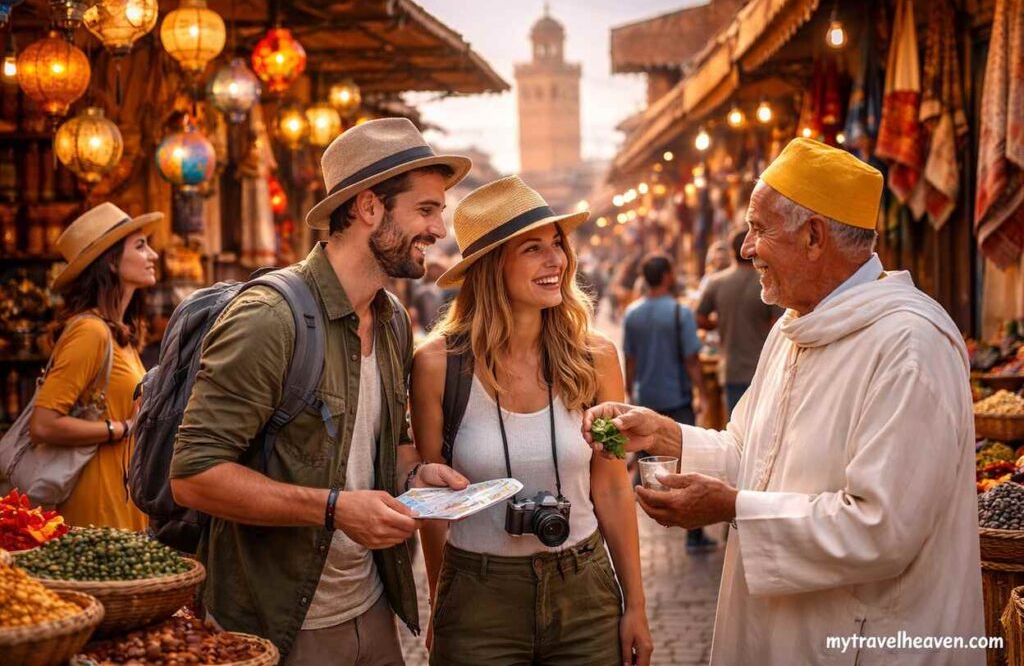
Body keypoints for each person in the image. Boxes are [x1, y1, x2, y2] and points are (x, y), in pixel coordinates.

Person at [584, 138, 984, 665]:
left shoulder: (909, 346)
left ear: (814, 237)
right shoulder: (793, 330)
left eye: (759, 228)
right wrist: (664, 434)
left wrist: (729, 507)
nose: (746, 248)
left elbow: (880, 529)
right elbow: (752, 451)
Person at [169, 119, 473, 664]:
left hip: (372, 605)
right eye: (426, 209)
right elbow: (193, 476)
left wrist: (416, 475)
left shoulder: (393, 320)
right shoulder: (269, 319)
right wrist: (334, 509)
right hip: (279, 622)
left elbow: (387, 442)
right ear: (368, 208)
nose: (438, 227)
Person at [411, 176, 652, 666]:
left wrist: (636, 605)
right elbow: (434, 508)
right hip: (478, 600)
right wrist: (442, 600)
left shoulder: (595, 358)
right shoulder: (437, 365)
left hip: (584, 591)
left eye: (558, 245)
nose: (556, 261)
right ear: (490, 265)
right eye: (533, 249)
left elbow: (610, 486)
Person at [30, 202, 161, 529]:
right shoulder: (90, 331)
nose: (153, 255)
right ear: (112, 263)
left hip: (121, 495)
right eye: (141, 246)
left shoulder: (119, 333)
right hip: (95, 505)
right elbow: (44, 424)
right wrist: (120, 428)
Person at [622, 253, 712, 552]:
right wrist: (703, 391)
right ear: (668, 276)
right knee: (688, 461)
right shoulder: (679, 313)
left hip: (647, 398)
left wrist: (629, 393)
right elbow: (691, 359)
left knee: (645, 460)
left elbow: (630, 359)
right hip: (677, 398)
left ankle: (646, 510)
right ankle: (693, 534)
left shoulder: (633, 313)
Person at [697, 226, 783, 411]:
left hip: (731, 369)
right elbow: (780, 325)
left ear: (731, 252)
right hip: (762, 368)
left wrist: (720, 323)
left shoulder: (716, 282)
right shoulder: (768, 281)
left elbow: (699, 318)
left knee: (736, 434)